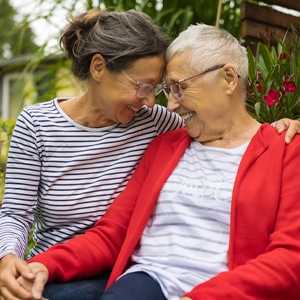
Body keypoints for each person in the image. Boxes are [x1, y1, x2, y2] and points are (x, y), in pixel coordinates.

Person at [8, 23, 300, 300]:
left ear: (228, 78)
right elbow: (112, 234)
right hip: (147, 282)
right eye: (167, 90)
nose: (169, 105)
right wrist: (43, 265)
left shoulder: (285, 149)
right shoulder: (165, 145)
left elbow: (290, 256)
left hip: (225, 290)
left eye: (179, 87)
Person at [0, 8, 186, 300]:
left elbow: (219, 131)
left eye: (156, 87)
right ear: (98, 68)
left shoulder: (157, 122)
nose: (150, 100)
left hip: (121, 272)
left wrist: (279, 128)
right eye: (142, 86)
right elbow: (16, 213)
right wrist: (9, 258)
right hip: (50, 269)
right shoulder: (37, 125)